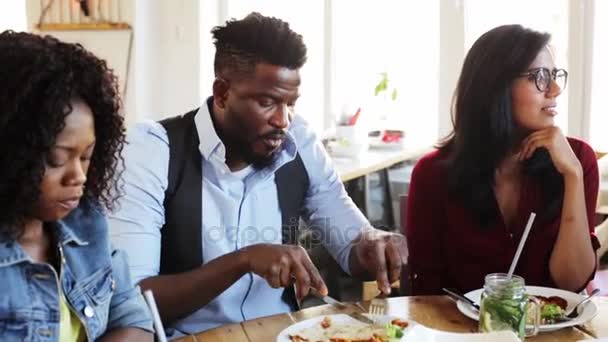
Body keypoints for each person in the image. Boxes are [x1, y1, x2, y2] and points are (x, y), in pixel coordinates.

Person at [108, 12, 408, 337]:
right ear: (222, 93)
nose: (283, 119)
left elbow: (352, 246)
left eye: (291, 103)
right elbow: (131, 300)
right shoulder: (152, 151)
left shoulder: (299, 142)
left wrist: (372, 246)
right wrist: (243, 260)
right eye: (268, 102)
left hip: (285, 333)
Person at [404, 24, 599, 296]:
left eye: (555, 75)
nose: (554, 89)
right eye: (540, 76)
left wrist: (573, 176)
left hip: (552, 334)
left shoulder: (577, 160)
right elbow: (424, 287)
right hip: (463, 332)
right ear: (495, 85)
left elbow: (572, 282)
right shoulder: (433, 173)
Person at [0, 31, 153, 341]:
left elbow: (132, 316)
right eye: (58, 159)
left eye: (86, 156)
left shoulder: (85, 224)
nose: (78, 176)